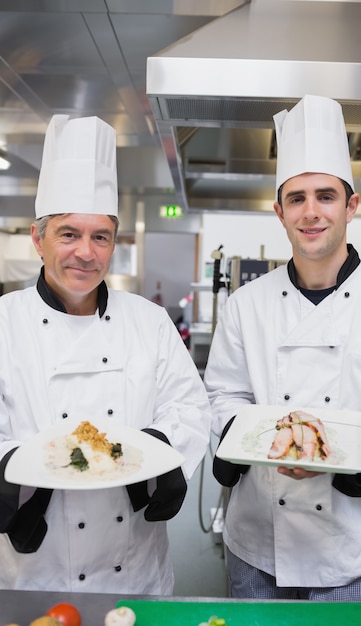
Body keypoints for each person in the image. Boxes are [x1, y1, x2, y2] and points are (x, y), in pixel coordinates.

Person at [204, 94, 361, 602]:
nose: (311, 212)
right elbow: (222, 398)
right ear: (279, 212)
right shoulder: (244, 305)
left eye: (326, 195)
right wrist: (256, 440)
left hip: (359, 555)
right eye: (296, 198)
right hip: (257, 549)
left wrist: (348, 458)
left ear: (352, 206)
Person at [0, 114, 212, 594]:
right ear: (38, 239)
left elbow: (188, 407)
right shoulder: (4, 322)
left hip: (133, 561)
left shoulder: (149, 321)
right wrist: (12, 481)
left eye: (101, 236)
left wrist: (161, 455)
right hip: (35, 565)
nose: (86, 252)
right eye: (68, 234)